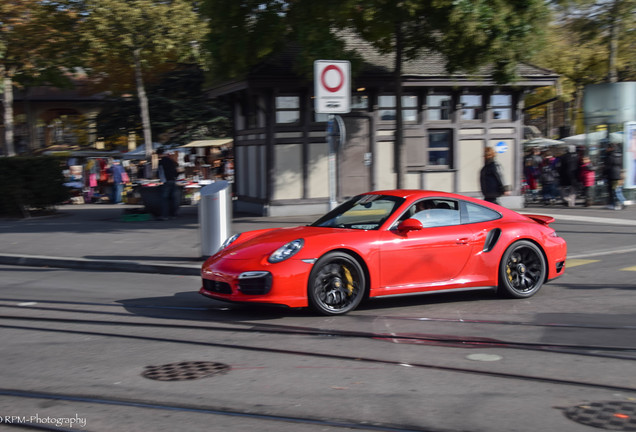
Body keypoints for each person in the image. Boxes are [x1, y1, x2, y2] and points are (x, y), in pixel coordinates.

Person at [157, 148, 179, 220]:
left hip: (166, 181)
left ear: (159, 154)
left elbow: (160, 172)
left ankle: (165, 215)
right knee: (172, 198)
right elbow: (176, 171)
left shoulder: (161, 162)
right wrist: (174, 177)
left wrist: (161, 180)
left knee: (164, 199)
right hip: (173, 180)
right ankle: (173, 215)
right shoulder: (171, 160)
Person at [604, 143, 623, 210]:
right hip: (617, 175)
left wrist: (604, 174)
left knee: (612, 191)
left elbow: (607, 166)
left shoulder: (609, 155)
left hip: (611, 175)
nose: (606, 149)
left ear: (611, 148)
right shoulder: (619, 155)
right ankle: (614, 204)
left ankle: (617, 203)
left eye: (607, 147)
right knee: (615, 190)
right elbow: (620, 165)